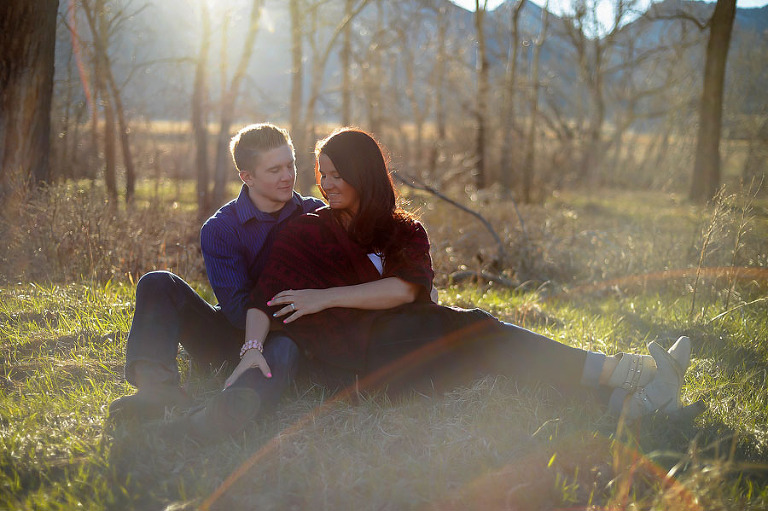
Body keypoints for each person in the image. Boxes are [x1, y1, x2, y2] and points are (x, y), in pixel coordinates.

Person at [226, 127, 696, 429]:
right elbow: (263, 294)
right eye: (321, 174)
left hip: (408, 343)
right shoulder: (307, 230)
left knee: (490, 358)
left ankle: (628, 406)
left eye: (336, 174)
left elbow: (407, 288)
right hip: (355, 361)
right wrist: (251, 351)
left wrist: (326, 296)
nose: (325, 185)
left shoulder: (404, 229)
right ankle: (626, 371)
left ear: (364, 174)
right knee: (479, 329)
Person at [108, 123, 324, 421]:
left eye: (291, 165)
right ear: (247, 176)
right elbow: (236, 312)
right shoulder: (221, 228)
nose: (288, 176)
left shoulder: (316, 213)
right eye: (275, 170)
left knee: (286, 344)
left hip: (288, 339)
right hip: (228, 338)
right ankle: (156, 390)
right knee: (157, 282)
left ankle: (237, 404)